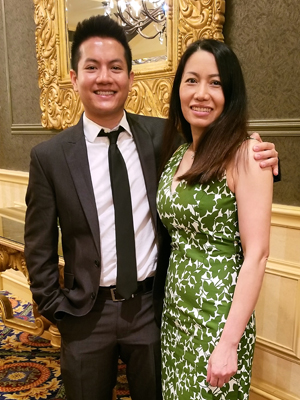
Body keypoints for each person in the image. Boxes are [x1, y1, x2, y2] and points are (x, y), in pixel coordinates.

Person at [24, 15, 278, 400]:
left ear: (130, 77)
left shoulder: (162, 136)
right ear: (75, 78)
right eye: (91, 67)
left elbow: (224, 152)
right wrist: (56, 309)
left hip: (153, 310)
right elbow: (38, 245)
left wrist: (269, 161)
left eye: (116, 67)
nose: (104, 78)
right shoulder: (49, 157)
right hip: (86, 315)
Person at [156, 38, 273, 400]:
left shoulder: (246, 154)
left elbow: (257, 256)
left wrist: (229, 343)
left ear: (230, 93)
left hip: (217, 320)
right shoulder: (178, 154)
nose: (201, 93)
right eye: (191, 80)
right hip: (175, 315)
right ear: (178, 89)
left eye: (216, 82)